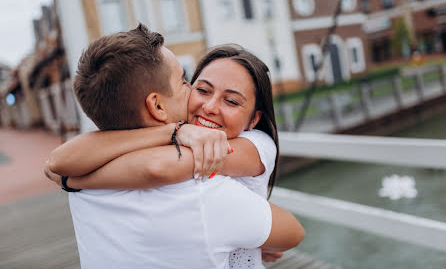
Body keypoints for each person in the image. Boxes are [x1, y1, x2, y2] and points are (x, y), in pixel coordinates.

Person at [45, 24, 304, 269]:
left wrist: (73, 181)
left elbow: (57, 166)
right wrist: (175, 130)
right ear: (157, 106)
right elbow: (293, 231)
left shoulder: (85, 166)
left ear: (254, 118)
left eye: (232, 101)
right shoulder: (203, 194)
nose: (207, 104)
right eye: (187, 83)